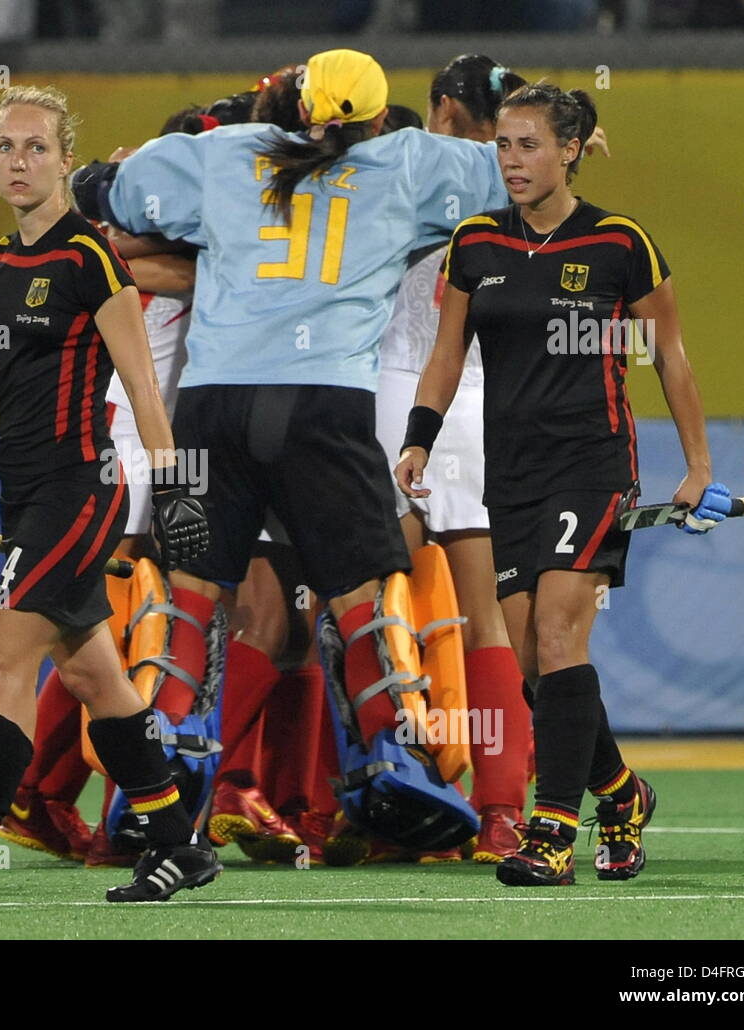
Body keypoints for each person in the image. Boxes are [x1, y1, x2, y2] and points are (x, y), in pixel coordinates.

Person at [71, 48, 518, 857]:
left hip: (215, 405)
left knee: (194, 595)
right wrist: (565, 138)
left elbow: (105, 191)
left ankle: (160, 759)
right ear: (381, 117)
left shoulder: (227, 153)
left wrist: (106, 176)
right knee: (357, 592)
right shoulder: (407, 162)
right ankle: (393, 748)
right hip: (327, 407)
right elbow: (517, 174)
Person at [0, 84, 218, 907]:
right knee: (96, 683)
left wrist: (176, 500)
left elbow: (143, 388)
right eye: (5, 147)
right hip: (20, 492)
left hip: (81, 490)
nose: (19, 161)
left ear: (69, 159)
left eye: (36, 147)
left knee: (5, 662)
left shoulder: (91, 258)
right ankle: (179, 843)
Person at [395, 82, 730, 886]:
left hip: (594, 461)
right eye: (504, 147)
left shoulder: (621, 242)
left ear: (572, 149)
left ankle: (551, 832)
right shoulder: (475, 242)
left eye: (530, 145)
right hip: (510, 472)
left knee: (556, 635)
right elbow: (446, 356)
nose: (513, 162)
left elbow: (671, 358)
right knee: (533, 667)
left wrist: (699, 466)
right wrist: (418, 441)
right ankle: (621, 792)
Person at [374, 54, 534, 863]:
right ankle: (502, 808)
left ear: (440, 109)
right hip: (474, 400)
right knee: (487, 613)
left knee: (367, 598)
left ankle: (384, 792)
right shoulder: (522, 182)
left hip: (389, 392)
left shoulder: (396, 166)